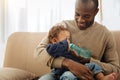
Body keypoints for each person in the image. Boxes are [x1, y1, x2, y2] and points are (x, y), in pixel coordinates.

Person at [35, 0, 120, 80]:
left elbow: (115, 69)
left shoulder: (105, 34)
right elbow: (39, 52)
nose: (80, 20)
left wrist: (87, 60)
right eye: (77, 14)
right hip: (59, 73)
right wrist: (68, 64)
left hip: (87, 75)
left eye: (86, 16)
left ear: (96, 12)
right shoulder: (62, 26)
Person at [45, 25, 117, 80]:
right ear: (54, 41)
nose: (69, 41)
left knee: (94, 65)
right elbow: (52, 51)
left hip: (80, 68)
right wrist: (66, 44)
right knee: (68, 76)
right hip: (64, 71)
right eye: (66, 39)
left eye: (69, 39)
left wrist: (79, 54)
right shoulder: (52, 47)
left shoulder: (69, 49)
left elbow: (83, 56)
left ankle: (102, 78)